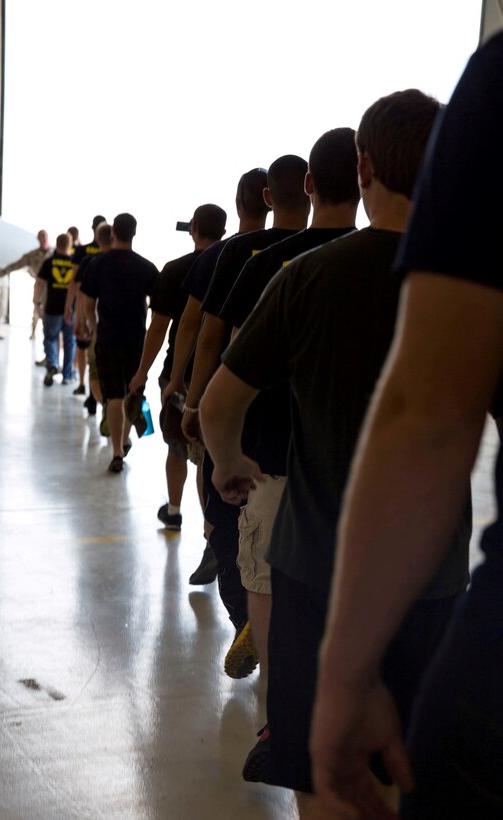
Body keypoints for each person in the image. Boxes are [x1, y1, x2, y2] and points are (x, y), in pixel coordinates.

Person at [200, 89, 470, 819]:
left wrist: (229, 465)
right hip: (433, 580)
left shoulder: (309, 277)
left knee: (323, 776)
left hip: (320, 576)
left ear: (364, 168)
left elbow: (220, 405)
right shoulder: (471, 287)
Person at [310, 33, 503, 820]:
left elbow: (430, 416)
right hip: (444, 573)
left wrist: (344, 675)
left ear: (365, 167)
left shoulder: (500, 87)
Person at [213, 127, 360, 780]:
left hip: (272, 455)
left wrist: (224, 453)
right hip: (361, 468)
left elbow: (229, 362)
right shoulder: (399, 264)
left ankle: (281, 717)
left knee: (267, 585)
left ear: (307, 185)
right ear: (364, 179)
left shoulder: (275, 265)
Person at [185, 154, 310, 680]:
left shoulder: (247, 256)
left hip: (259, 425)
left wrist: (195, 401)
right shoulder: (352, 252)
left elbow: (212, 336)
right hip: (329, 438)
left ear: (266, 198)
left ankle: (248, 621)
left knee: (230, 522)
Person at [162, 168, 269, 585]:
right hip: (271, 392)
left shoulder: (220, 256)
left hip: (218, 385)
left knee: (211, 464)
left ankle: (216, 541)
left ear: (239, 203)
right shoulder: (292, 252)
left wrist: (180, 383)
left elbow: (195, 327)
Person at [128, 204, 227, 530]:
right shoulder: (234, 262)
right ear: (223, 232)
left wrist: (142, 373)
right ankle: (211, 530)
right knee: (207, 456)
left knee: (178, 447)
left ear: (193, 229)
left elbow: (158, 327)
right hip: (221, 374)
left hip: (179, 375)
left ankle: (174, 510)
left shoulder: (175, 269)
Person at [81, 213, 159, 473]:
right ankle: (125, 440)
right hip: (136, 340)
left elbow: (88, 304)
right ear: (134, 233)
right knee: (132, 392)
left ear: (113, 233)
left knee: (114, 396)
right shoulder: (146, 267)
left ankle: (116, 451)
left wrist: (94, 329)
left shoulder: (98, 264)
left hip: (108, 339)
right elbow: (159, 309)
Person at [0, 229, 51, 340]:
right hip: (40, 287)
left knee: (51, 316)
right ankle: (34, 334)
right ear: (38, 239)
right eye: (41, 237)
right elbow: (12, 267)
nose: (44, 239)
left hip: (54, 288)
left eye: (45, 236)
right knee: (37, 311)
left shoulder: (55, 253)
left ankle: (49, 340)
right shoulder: (32, 255)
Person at [66, 215, 107, 411]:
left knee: (83, 348)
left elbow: (74, 282)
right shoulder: (112, 254)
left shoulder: (83, 253)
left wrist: (69, 306)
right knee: (98, 354)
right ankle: (95, 394)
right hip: (103, 312)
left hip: (85, 308)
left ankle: (84, 384)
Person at [34, 233, 75, 386]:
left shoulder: (49, 262)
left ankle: (52, 363)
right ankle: (67, 376)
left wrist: (37, 302)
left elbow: (39, 283)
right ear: (69, 245)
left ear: (56, 244)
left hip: (52, 307)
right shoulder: (75, 263)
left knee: (50, 339)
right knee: (69, 342)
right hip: (70, 309)